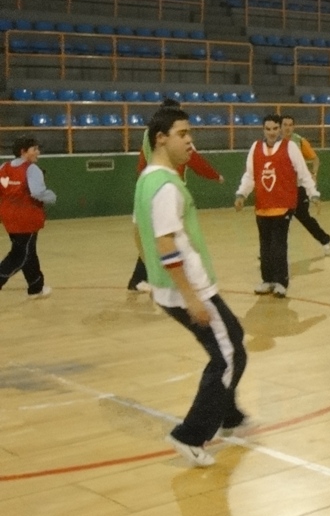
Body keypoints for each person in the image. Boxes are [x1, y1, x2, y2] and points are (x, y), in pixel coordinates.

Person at [133, 102, 250, 467]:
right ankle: (190, 434)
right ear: (161, 138)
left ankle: (229, 415)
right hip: (191, 290)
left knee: (231, 339)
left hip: (177, 287)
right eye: (183, 134)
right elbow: (165, 243)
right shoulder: (166, 186)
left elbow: (138, 231)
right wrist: (188, 296)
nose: (190, 142)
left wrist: (154, 277)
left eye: (190, 134)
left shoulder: (146, 179)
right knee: (230, 355)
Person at [128, 99, 224, 293]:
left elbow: (141, 163)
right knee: (172, 237)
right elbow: (195, 160)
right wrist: (215, 176)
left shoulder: (150, 134)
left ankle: (141, 278)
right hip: (166, 191)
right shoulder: (173, 139)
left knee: (154, 235)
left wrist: (143, 188)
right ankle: (177, 282)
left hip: (148, 189)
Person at [234, 114, 319, 298]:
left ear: (280, 129)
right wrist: (241, 194)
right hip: (262, 206)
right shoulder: (255, 148)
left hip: (284, 205)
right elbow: (250, 175)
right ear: (263, 130)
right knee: (265, 245)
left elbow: (303, 174)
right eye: (268, 129)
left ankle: (281, 281)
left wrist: (313, 194)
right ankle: (267, 280)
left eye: (275, 129)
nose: (272, 132)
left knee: (278, 244)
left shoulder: (291, 148)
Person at [0, 136, 57, 299]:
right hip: (26, 217)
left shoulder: (4, 167)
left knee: (28, 252)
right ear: (23, 152)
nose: (38, 152)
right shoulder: (32, 169)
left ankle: (36, 287)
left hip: (8, 216)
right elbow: (37, 192)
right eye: (34, 149)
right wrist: (52, 196)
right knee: (19, 255)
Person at [281, 114, 330, 256]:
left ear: (294, 127)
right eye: (285, 125)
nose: (287, 128)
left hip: (298, 187)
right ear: (280, 127)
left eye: (290, 125)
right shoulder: (275, 143)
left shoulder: (299, 142)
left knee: (304, 218)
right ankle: (274, 250)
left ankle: (325, 240)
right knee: (279, 220)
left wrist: (314, 175)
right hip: (281, 189)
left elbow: (315, 159)